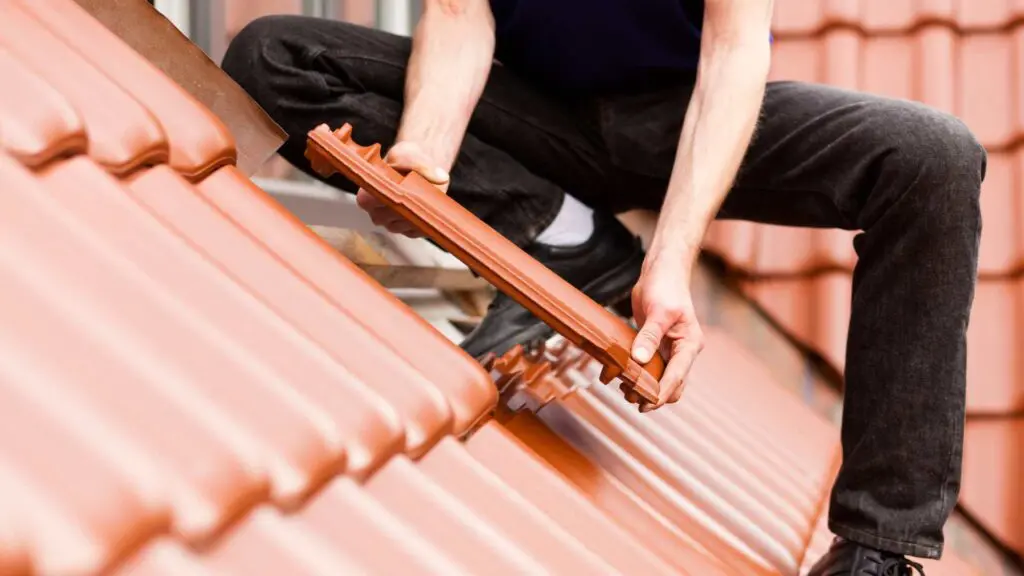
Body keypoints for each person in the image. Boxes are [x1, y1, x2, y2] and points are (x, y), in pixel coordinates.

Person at [221, 0, 985, 573]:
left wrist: (671, 262)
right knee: (275, 55)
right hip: (535, 113)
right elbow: (458, 15)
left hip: (678, 120)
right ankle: (567, 235)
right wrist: (424, 157)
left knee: (934, 158)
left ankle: (876, 549)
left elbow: (733, 55)